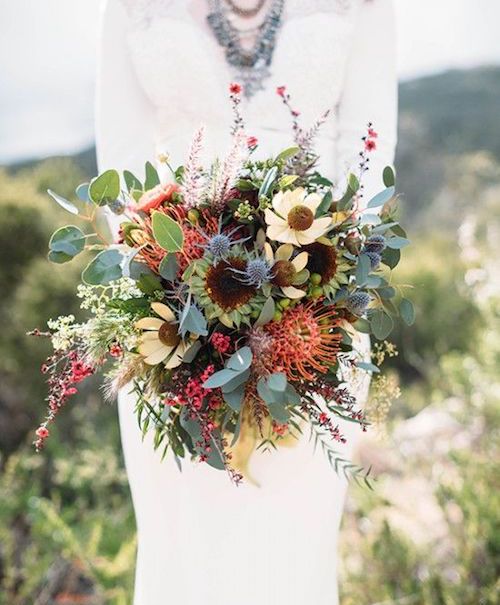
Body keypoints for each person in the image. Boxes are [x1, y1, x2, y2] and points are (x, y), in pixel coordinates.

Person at [96, 1, 397, 603]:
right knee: (187, 550)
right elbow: (121, 170)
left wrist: (318, 292)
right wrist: (170, 284)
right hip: (168, 321)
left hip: (318, 319)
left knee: (292, 550)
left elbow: (372, 155)